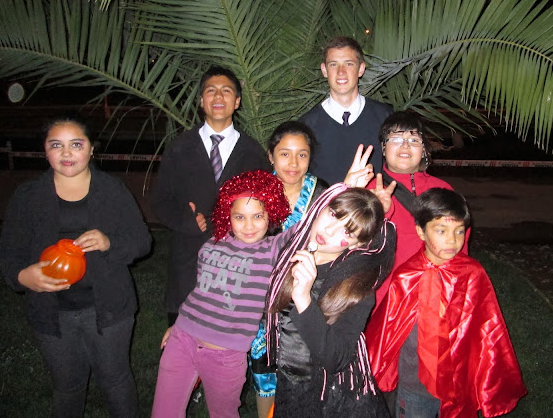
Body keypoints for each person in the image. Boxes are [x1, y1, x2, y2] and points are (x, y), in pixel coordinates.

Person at [0, 117, 152, 418]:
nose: (67, 153)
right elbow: (9, 252)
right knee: (67, 387)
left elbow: (142, 241)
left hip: (109, 308)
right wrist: (21, 276)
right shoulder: (28, 196)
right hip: (52, 312)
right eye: (57, 145)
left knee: (116, 381)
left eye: (76, 144)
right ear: (45, 150)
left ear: (91, 149)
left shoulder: (112, 190)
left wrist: (109, 242)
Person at [366, 188, 526, 418]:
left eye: (459, 231)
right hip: (414, 385)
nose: (452, 240)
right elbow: (385, 332)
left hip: (456, 383)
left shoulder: (472, 274)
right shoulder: (406, 276)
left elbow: (488, 331)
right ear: (421, 231)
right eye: (441, 230)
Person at [151, 170, 292, 418]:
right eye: (240, 217)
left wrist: (346, 187)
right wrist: (177, 324)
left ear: (270, 213)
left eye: (257, 216)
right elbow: (201, 293)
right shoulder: (212, 244)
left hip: (226, 355)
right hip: (182, 339)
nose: (249, 225)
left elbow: (310, 228)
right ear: (228, 215)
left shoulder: (272, 249)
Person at [150, 65, 270, 325]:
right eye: (211, 90)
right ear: (201, 100)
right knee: (184, 338)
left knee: (230, 339)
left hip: (237, 265)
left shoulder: (253, 153)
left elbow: (266, 208)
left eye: (226, 91)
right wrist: (184, 221)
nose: (218, 96)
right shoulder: (179, 148)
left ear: (237, 101)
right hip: (189, 262)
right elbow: (160, 200)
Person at [265, 185, 397, 417]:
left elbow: (337, 359)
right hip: (288, 382)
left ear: (357, 245)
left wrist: (304, 301)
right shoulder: (294, 250)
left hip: (331, 396)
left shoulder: (355, 288)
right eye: (333, 214)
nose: (329, 229)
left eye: (347, 232)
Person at [250, 121, 329, 418]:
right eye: (284, 154)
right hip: (261, 302)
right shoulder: (253, 193)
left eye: (302, 155)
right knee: (264, 372)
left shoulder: (323, 195)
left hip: (309, 299)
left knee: (305, 377)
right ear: (270, 156)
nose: (293, 163)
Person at [370, 111, 469, 311]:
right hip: (385, 297)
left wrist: (456, 289)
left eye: (414, 140)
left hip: (434, 292)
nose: (405, 146)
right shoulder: (369, 189)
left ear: (423, 149)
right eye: (396, 139)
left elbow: (460, 245)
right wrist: (379, 213)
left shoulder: (442, 189)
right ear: (383, 147)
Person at [300, 36, 392, 185]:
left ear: (361, 69)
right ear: (324, 70)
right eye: (333, 64)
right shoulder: (307, 125)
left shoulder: (385, 117)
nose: (341, 72)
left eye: (349, 64)